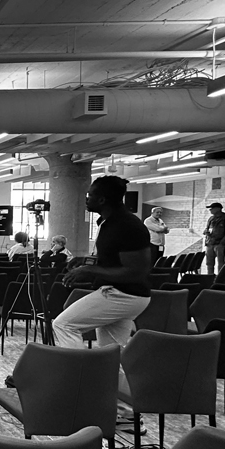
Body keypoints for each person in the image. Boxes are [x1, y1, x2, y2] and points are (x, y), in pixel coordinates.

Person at [51, 176, 153, 429]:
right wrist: (87, 261)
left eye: (89, 195)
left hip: (124, 295)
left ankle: (79, 390)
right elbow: (113, 262)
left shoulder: (127, 225)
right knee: (110, 355)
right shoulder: (111, 222)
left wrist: (91, 272)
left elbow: (136, 272)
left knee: (63, 324)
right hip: (124, 295)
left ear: (103, 199)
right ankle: (122, 412)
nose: (86, 199)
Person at [202, 201, 225, 275]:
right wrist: (206, 232)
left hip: (220, 244)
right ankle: (209, 277)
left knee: (220, 263)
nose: (210, 210)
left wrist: (222, 243)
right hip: (210, 243)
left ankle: (220, 278)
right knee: (209, 263)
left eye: (212, 208)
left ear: (218, 209)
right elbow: (207, 228)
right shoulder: (211, 219)